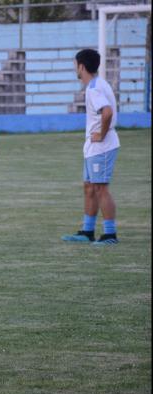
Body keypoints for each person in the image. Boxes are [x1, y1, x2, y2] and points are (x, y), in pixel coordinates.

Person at [61, 49, 120, 246]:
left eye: (75, 65)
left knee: (101, 188)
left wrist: (101, 134)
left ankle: (110, 234)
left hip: (102, 147)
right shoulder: (98, 84)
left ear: (81, 66)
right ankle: (87, 231)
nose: (75, 69)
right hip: (93, 148)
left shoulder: (94, 88)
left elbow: (108, 112)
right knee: (89, 187)